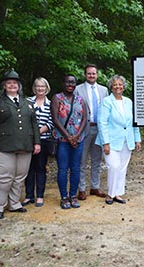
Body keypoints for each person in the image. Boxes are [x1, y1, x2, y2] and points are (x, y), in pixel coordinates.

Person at [0, 70, 41, 219]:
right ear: (4, 86)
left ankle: (14, 203)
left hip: (25, 145)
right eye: (9, 83)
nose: (12, 85)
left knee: (19, 177)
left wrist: (37, 142)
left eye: (15, 83)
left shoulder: (27, 103)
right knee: (4, 178)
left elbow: (34, 124)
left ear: (19, 86)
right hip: (4, 146)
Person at [96, 75, 141, 205]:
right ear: (111, 86)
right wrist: (105, 143)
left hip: (127, 140)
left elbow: (134, 122)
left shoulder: (128, 102)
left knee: (122, 168)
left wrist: (137, 139)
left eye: (120, 84)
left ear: (124, 86)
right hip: (111, 141)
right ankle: (110, 194)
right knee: (113, 166)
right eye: (115, 84)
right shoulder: (106, 101)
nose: (118, 87)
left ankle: (117, 193)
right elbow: (102, 122)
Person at [51, 74, 87, 209]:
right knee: (62, 169)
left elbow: (85, 118)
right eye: (68, 82)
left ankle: (73, 195)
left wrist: (76, 136)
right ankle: (64, 197)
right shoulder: (57, 98)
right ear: (63, 83)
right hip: (62, 140)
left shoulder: (80, 99)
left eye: (73, 82)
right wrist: (68, 137)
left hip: (78, 140)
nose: (70, 85)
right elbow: (55, 119)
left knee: (76, 169)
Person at [75, 64, 109, 200]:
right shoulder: (78, 89)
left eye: (93, 73)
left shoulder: (104, 90)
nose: (91, 76)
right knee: (81, 160)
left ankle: (95, 187)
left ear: (97, 75)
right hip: (84, 128)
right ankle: (81, 189)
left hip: (99, 129)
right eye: (89, 73)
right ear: (85, 75)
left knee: (96, 160)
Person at [21, 77, 54, 208]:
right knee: (28, 168)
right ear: (34, 88)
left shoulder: (51, 104)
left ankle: (40, 195)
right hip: (28, 140)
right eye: (38, 86)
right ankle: (29, 195)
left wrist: (37, 132)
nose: (40, 89)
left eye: (43, 86)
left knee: (40, 168)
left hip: (43, 140)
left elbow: (51, 123)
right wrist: (32, 134)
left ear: (47, 88)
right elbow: (22, 120)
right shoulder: (27, 102)